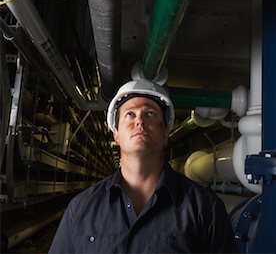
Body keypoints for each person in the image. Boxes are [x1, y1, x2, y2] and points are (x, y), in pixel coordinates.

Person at [49, 79, 240, 253]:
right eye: (130, 114)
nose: (139, 121)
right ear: (116, 134)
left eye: (150, 114)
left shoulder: (204, 207)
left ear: (166, 132)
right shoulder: (82, 207)